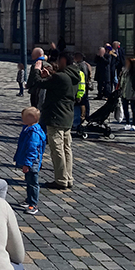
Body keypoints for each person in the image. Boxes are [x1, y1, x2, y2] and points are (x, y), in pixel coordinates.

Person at [32, 53, 82, 189]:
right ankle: (68, 177)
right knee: (66, 148)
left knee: (57, 149)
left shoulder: (61, 77)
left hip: (55, 116)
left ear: (64, 61)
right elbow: (58, 85)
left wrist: (36, 69)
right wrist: (51, 75)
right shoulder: (74, 76)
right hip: (67, 115)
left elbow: (38, 83)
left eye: (59, 61)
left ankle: (60, 179)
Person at [14, 107, 46, 216]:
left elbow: (32, 150)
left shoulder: (34, 133)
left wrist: (27, 163)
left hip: (32, 162)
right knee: (29, 181)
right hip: (29, 160)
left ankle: (33, 204)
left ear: (33, 118)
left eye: (25, 117)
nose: (22, 119)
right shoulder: (29, 128)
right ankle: (29, 200)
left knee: (33, 183)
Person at [117, 58, 135, 131]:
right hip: (124, 92)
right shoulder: (124, 71)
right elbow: (121, 81)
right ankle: (127, 123)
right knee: (125, 108)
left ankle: (134, 124)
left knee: (133, 108)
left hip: (132, 93)